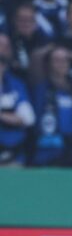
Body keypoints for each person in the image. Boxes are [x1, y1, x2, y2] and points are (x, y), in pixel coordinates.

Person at [29, 46, 72, 166]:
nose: (62, 64)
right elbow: (35, 57)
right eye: (57, 60)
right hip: (46, 151)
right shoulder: (40, 85)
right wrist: (53, 46)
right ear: (48, 64)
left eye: (65, 60)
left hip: (71, 151)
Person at [0, 33, 35, 165]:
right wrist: (10, 116)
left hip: (11, 153)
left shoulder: (14, 83)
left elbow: (28, 118)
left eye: (1, 63)